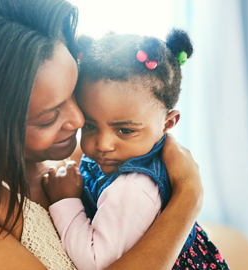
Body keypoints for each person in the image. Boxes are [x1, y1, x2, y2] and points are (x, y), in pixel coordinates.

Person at [0, 0, 204, 269]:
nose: (79, 119)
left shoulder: (92, 161)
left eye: (74, 93)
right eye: (48, 117)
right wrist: (188, 196)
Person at [43, 30, 229, 270]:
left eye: (125, 131)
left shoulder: (134, 187)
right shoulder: (114, 159)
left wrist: (65, 200)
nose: (103, 144)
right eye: (89, 126)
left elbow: (94, 262)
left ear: (167, 124)